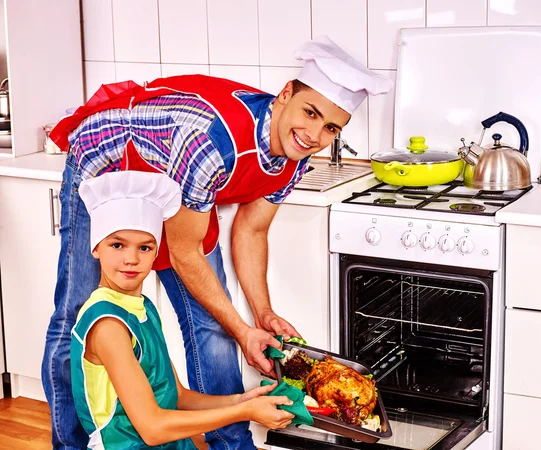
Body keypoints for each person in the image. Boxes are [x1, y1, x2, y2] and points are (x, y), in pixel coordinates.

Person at [42, 35, 393, 450]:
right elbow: (185, 252)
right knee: (75, 315)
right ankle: (69, 444)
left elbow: (251, 231)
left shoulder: (294, 155)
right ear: (285, 95)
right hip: (103, 164)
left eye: (330, 127)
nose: (315, 134)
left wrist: (260, 317)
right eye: (310, 113)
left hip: (177, 184)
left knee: (214, 326)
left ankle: (232, 444)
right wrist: (242, 330)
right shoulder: (214, 140)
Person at [71, 170, 294, 449]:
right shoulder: (108, 326)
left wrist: (242, 400)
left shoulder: (143, 309)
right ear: (95, 247)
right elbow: (152, 429)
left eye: (145, 247)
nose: (131, 259)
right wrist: (244, 413)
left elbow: (176, 396)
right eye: (117, 245)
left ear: (156, 253)